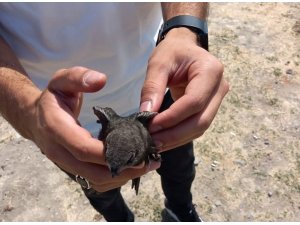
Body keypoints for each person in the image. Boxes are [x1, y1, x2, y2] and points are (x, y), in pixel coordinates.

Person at [0, 2, 229, 222]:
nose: (114, 169)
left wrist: (185, 29)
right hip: (62, 119)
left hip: (162, 87)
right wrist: (27, 109)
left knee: (180, 168)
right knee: (99, 191)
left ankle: (180, 209)